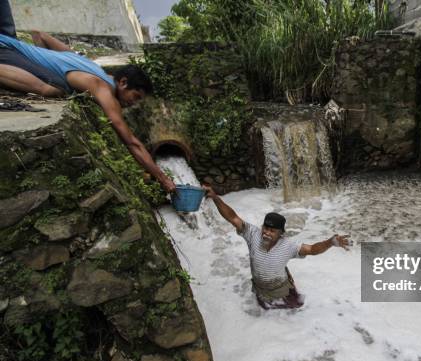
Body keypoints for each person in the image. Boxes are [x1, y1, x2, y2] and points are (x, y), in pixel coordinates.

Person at [0, 0, 175, 193]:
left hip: (10, 41)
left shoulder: (90, 65)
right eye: (136, 96)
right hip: (5, 50)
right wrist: (163, 178)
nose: (134, 103)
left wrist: (37, 59)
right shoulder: (104, 89)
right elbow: (131, 142)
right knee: (52, 89)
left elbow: (39, 35)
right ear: (123, 82)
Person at [203, 185, 350, 309]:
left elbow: (312, 249)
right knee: (264, 310)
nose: (266, 233)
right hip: (260, 289)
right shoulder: (252, 234)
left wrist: (330, 242)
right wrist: (215, 197)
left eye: (272, 231)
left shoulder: (288, 246)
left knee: (294, 310)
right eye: (265, 228)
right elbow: (232, 217)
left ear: (281, 233)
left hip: (281, 291)